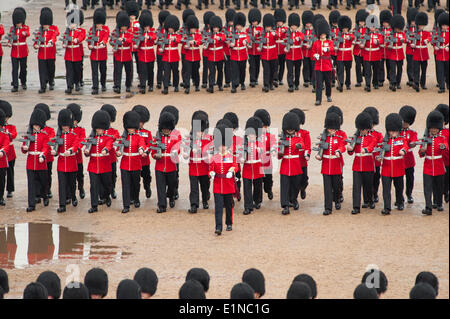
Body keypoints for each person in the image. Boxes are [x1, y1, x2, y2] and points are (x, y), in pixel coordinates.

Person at [210, 124, 238, 235]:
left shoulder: (231, 156)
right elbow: (211, 168)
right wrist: (211, 173)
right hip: (217, 186)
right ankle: (218, 227)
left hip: (228, 185)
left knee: (229, 206)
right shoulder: (215, 157)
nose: (222, 148)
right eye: (220, 145)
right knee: (218, 208)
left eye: (224, 146)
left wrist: (231, 171)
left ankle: (229, 223)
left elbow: (235, 165)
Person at [377, 113, 408, 216]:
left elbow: (405, 146)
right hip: (386, 168)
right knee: (386, 189)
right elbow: (379, 151)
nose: (392, 132)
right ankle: (387, 207)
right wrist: (379, 156)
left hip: (398, 167)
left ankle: (400, 202)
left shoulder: (401, 139)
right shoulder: (384, 140)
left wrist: (403, 151)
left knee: (399, 187)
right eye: (391, 130)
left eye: (394, 131)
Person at [316, 112, 345, 216]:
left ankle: (337, 200)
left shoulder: (339, 137)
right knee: (327, 188)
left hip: (336, 165)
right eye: (330, 129)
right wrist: (318, 156)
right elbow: (320, 149)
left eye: (333, 129)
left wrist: (338, 151)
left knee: (336, 186)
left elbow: (342, 146)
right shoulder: (324, 138)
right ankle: (328, 208)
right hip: (326, 166)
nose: (331, 131)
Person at [116, 111, 146, 214]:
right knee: (125, 185)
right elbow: (119, 147)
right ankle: (126, 205)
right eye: (129, 127)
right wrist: (119, 152)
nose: (130, 129)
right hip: (124, 164)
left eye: (132, 127)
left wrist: (141, 149)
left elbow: (142, 144)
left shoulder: (139, 136)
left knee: (135, 184)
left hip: (135, 163)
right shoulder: (124, 137)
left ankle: (136, 199)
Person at [84, 110, 114, 214]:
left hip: (104, 165)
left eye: (100, 128)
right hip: (93, 165)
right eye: (97, 128)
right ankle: (94, 205)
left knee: (106, 184)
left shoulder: (108, 138)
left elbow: (109, 145)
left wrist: (105, 150)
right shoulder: (91, 138)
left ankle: (107, 197)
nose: (99, 130)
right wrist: (86, 151)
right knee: (94, 186)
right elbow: (87, 149)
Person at [51, 109, 81, 213]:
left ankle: (73, 197)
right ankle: (62, 205)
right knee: (62, 185)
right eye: (63, 125)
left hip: (71, 163)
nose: (64, 127)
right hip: (61, 164)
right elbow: (55, 148)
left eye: (66, 125)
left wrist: (71, 150)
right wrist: (54, 152)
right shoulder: (58, 137)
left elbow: (76, 145)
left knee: (72, 184)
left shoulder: (74, 135)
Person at [347, 112, 376, 215]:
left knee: (368, 186)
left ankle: (369, 200)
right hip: (357, 166)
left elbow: (371, 147)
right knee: (356, 187)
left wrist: (366, 149)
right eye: (360, 129)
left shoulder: (372, 137)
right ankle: (356, 207)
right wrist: (350, 149)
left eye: (363, 129)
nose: (362, 131)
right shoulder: (355, 138)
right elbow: (351, 153)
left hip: (368, 165)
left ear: (368, 128)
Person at [419, 111, 448, 215]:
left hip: (439, 165)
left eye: (435, 128)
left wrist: (443, 146)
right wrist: (422, 151)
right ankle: (428, 207)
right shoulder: (425, 139)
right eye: (432, 128)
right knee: (427, 187)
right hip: (428, 166)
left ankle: (439, 203)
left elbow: (445, 146)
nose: (434, 130)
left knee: (439, 186)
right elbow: (421, 153)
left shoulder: (442, 138)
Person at [21, 109, 49, 212]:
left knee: (43, 182)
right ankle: (31, 204)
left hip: (40, 163)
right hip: (30, 163)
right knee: (31, 184)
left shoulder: (44, 135)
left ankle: (45, 196)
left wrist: (42, 155)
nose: (36, 127)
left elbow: (46, 147)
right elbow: (24, 148)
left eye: (38, 125)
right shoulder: (28, 135)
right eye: (35, 125)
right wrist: (24, 148)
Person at [184, 111, 211, 214]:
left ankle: (205, 201)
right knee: (194, 188)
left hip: (204, 167)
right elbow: (185, 151)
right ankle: (194, 204)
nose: (200, 133)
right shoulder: (189, 139)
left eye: (201, 131)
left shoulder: (208, 139)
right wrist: (186, 154)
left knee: (205, 186)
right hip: (193, 168)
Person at [152, 112, 179, 213]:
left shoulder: (175, 137)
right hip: (160, 166)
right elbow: (153, 150)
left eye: (168, 129)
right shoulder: (158, 137)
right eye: (164, 129)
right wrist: (155, 155)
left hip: (171, 165)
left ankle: (171, 197)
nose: (166, 131)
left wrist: (175, 152)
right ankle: (162, 205)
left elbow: (178, 146)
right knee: (160, 187)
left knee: (172, 185)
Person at [278, 112, 304, 215]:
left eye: (291, 129)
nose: (289, 130)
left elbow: (302, 145)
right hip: (285, 166)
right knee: (284, 186)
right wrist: (280, 152)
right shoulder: (282, 139)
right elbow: (279, 155)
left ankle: (294, 199)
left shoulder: (298, 138)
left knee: (295, 185)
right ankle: (285, 205)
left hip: (295, 165)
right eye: (288, 129)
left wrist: (298, 146)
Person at [241, 117, 264, 215]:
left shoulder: (260, 142)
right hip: (247, 168)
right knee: (247, 187)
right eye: (249, 134)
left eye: (253, 134)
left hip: (257, 166)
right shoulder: (244, 143)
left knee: (258, 186)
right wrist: (241, 158)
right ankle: (248, 206)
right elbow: (239, 152)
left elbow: (264, 152)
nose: (250, 136)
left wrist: (260, 150)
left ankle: (257, 200)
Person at [311, 20, 335, 105]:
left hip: (327, 64)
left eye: (324, 34)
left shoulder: (329, 42)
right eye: (321, 34)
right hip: (318, 65)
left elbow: (332, 49)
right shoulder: (315, 43)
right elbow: (312, 53)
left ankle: (328, 95)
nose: (322, 35)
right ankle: (318, 99)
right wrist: (315, 55)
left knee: (328, 82)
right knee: (319, 84)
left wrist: (327, 49)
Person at [34, 8, 57, 94]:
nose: (45, 26)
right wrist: (36, 45)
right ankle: (43, 86)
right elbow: (36, 40)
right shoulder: (40, 31)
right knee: (42, 70)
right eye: (44, 24)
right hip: (41, 54)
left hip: (50, 53)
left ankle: (51, 81)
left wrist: (51, 41)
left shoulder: (53, 29)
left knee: (51, 69)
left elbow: (54, 36)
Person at [254, 109, 275, 201]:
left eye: (264, 126)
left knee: (268, 180)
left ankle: (268, 189)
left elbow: (273, 144)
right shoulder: (254, 136)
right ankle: (258, 199)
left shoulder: (269, 135)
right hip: (257, 161)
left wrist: (273, 150)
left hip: (267, 160)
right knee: (258, 182)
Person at [132, 105, 152, 200]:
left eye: (142, 122)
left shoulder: (147, 133)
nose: (140, 124)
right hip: (135, 160)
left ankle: (147, 187)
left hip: (144, 160)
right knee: (135, 180)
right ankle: (135, 197)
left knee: (146, 177)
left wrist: (146, 152)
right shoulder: (131, 133)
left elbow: (149, 144)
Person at [63, 9, 85, 95]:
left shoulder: (80, 31)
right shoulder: (67, 32)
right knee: (69, 71)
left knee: (77, 70)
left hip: (77, 53)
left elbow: (82, 37)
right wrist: (64, 44)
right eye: (71, 23)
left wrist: (77, 40)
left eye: (74, 23)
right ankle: (69, 86)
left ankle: (77, 83)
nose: (72, 25)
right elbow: (64, 39)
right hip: (68, 54)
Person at [399, 106, 418, 204]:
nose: (404, 124)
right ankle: (400, 196)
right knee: (399, 180)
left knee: (410, 179)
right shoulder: (396, 132)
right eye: (403, 121)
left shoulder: (412, 132)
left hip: (409, 159)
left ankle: (409, 194)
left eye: (406, 122)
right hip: (399, 159)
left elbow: (414, 141)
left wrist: (413, 144)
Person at [7, 8, 30, 92]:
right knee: (15, 69)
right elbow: (10, 37)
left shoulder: (25, 27)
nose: (18, 24)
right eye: (17, 23)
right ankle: (15, 85)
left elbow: (28, 33)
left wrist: (25, 33)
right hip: (14, 51)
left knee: (23, 68)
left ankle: (23, 82)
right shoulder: (12, 29)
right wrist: (9, 42)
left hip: (23, 51)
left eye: (19, 23)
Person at [88, 8, 109, 95]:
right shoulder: (91, 30)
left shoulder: (105, 29)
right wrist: (90, 45)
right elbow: (89, 39)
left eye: (100, 23)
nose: (99, 25)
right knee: (95, 72)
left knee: (103, 70)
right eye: (97, 23)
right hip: (93, 54)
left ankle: (103, 84)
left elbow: (105, 37)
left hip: (102, 53)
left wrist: (102, 43)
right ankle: (95, 87)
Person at [67, 103, 86, 200]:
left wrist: (77, 147)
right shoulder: (66, 131)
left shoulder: (80, 130)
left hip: (77, 157)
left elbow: (82, 140)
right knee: (71, 178)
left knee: (80, 175)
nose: (74, 122)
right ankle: (71, 193)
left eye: (75, 120)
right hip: (69, 158)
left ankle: (81, 188)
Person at [111, 11, 133, 94]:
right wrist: (115, 44)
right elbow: (111, 40)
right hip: (118, 54)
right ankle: (117, 86)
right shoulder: (115, 32)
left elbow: (131, 40)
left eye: (125, 26)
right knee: (117, 71)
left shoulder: (129, 32)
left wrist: (124, 39)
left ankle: (128, 85)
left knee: (128, 71)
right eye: (122, 26)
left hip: (127, 54)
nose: (123, 28)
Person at [101, 104, 120, 199]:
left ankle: (112, 189)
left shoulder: (113, 131)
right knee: (104, 177)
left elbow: (117, 139)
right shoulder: (98, 132)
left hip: (111, 158)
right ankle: (105, 195)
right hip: (102, 159)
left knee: (113, 176)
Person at [135, 10, 156, 94]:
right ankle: (143, 85)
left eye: (148, 26)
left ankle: (150, 85)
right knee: (142, 71)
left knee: (150, 70)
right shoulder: (140, 32)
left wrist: (149, 37)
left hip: (150, 54)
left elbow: (154, 37)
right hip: (142, 54)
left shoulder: (152, 31)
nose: (146, 28)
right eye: (145, 26)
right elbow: (135, 39)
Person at [361, 15, 384, 92]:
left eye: (373, 27)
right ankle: (367, 84)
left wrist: (377, 42)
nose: (372, 28)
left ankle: (375, 83)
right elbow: (362, 43)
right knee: (367, 71)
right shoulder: (366, 35)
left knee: (376, 70)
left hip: (376, 54)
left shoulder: (378, 35)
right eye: (371, 26)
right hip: (367, 54)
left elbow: (381, 40)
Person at [160, 15, 181, 94]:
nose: (170, 29)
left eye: (171, 28)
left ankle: (176, 86)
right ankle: (165, 87)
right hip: (166, 56)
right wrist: (161, 48)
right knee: (166, 73)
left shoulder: (177, 35)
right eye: (169, 28)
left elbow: (179, 40)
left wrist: (174, 39)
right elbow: (161, 42)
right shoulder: (165, 35)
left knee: (175, 72)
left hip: (174, 56)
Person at [229, 13, 249, 93]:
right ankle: (234, 85)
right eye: (237, 25)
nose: (239, 27)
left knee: (242, 70)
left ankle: (242, 82)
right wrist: (231, 44)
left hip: (243, 55)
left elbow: (248, 39)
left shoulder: (244, 34)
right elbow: (228, 43)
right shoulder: (232, 34)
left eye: (240, 25)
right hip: (234, 55)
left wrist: (245, 41)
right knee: (234, 71)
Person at [411, 12, 431, 92]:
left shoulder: (426, 33)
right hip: (416, 53)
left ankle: (423, 83)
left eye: (422, 25)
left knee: (424, 70)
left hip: (424, 53)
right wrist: (412, 45)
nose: (421, 27)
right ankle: (416, 83)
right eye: (420, 25)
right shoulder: (415, 33)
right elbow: (411, 41)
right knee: (416, 70)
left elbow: (429, 38)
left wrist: (427, 40)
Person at [0, 101, 16, 200]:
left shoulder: (11, 127)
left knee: (10, 172)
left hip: (10, 153)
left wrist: (6, 134)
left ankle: (10, 189)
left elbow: (13, 135)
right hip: (2, 155)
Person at [182, 15, 202, 94]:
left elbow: (200, 41)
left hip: (196, 56)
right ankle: (187, 86)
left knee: (195, 71)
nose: (192, 30)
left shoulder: (198, 35)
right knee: (187, 72)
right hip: (188, 56)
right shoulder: (186, 36)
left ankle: (197, 85)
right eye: (191, 28)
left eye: (194, 28)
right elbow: (183, 43)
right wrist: (186, 46)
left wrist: (194, 42)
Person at [206, 16, 226, 93]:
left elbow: (223, 38)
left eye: (217, 28)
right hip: (211, 55)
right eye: (214, 28)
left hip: (219, 55)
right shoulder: (209, 35)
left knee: (220, 70)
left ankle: (220, 84)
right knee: (211, 71)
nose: (215, 29)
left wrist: (219, 39)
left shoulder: (221, 34)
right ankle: (211, 85)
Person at [285, 13, 304, 92]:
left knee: (297, 70)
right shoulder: (287, 34)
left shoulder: (299, 34)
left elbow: (302, 37)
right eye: (292, 25)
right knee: (290, 71)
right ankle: (290, 85)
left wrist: (298, 38)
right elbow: (284, 40)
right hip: (289, 55)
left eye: (295, 26)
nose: (293, 27)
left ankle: (296, 83)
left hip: (298, 55)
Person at [259, 14, 278, 93]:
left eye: (269, 27)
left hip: (272, 54)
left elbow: (278, 37)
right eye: (266, 27)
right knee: (266, 70)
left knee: (272, 70)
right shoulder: (263, 34)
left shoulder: (274, 33)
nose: (267, 28)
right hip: (264, 54)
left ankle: (270, 84)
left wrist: (275, 34)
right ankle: (266, 85)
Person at [335, 15, 354, 92]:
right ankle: (341, 84)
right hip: (340, 55)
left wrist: (348, 37)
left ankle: (348, 83)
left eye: (346, 28)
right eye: (343, 28)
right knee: (340, 70)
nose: (345, 30)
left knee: (348, 70)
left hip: (348, 55)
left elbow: (352, 37)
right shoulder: (339, 36)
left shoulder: (350, 35)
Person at [388, 14, 406, 91]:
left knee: (399, 69)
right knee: (392, 69)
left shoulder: (402, 34)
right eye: (396, 28)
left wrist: (403, 40)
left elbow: (405, 40)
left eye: (399, 28)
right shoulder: (390, 34)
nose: (397, 30)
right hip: (392, 54)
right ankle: (393, 82)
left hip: (400, 54)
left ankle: (398, 82)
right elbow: (387, 41)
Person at [435, 104, 449, 203]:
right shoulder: (432, 132)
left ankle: (446, 193)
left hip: (447, 159)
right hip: (437, 160)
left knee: (447, 179)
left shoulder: (447, 132)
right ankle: (437, 198)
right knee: (437, 181)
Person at [353, 9, 368, 88]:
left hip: (365, 51)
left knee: (365, 66)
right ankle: (359, 81)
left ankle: (366, 79)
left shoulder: (367, 30)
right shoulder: (355, 30)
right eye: (360, 21)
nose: (361, 23)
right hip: (356, 51)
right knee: (357, 66)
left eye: (362, 21)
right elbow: (352, 37)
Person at [247, 9, 263, 88]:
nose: (254, 22)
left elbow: (262, 36)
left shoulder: (261, 29)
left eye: (255, 21)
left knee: (257, 65)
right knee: (252, 65)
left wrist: (258, 33)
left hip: (258, 50)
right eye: (253, 21)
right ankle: (252, 80)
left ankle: (256, 78)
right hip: (250, 51)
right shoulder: (248, 30)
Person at [434, 12, 449, 94]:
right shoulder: (437, 32)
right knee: (440, 71)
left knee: (447, 71)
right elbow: (433, 39)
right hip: (439, 54)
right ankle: (441, 86)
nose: (444, 27)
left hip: (447, 55)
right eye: (443, 25)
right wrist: (435, 46)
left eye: (446, 25)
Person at [378, 10, 393, 88]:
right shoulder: (380, 30)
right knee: (380, 66)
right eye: (383, 22)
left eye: (386, 22)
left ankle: (390, 79)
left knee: (389, 66)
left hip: (388, 51)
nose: (384, 24)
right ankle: (380, 80)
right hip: (381, 51)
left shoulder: (391, 31)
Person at [156, 10, 170, 90]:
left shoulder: (170, 31)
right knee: (160, 67)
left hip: (167, 52)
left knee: (167, 68)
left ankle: (167, 81)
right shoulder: (159, 30)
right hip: (159, 51)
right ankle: (159, 81)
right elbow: (156, 40)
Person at [201, 11, 215, 89]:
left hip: (213, 51)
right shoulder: (204, 31)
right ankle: (204, 82)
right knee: (205, 67)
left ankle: (212, 81)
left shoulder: (215, 31)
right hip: (206, 52)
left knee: (212, 68)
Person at [301, 11, 315, 88]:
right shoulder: (303, 31)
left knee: (312, 66)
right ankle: (306, 80)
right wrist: (303, 44)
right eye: (307, 23)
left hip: (312, 51)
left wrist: (311, 45)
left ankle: (312, 79)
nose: (308, 24)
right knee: (305, 66)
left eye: (309, 23)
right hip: (305, 51)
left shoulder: (314, 31)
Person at [405, 7, 418, 88]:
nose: (413, 23)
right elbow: (405, 36)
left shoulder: (418, 28)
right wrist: (409, 40)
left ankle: (416, 79)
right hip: (409, 49)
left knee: (416, 65)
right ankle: (410, 79)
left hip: (416, 50)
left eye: (414, 21)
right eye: (412, 21)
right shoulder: (407, 28)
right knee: (409, 64)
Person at [274, 9, 287, 86]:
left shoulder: (285, 29)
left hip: (282, 50)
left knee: (282, 65)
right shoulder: (273, 29)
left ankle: (280, 78)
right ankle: (275, 78)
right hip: (275, 50)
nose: (279, 22)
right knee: (275, 65)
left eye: (280, 21)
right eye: (278, 21)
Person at [223, 9, 235, 89]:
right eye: (230, 21)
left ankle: (234, 80)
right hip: (226, 51)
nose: (231, 22)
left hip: (234, 51)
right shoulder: (224, 28)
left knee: (234, 67)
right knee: (227, 67)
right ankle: (227, 81)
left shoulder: (236, 28)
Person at [0, 110, 10, 206]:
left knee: (1, 180)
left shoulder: (4, 134)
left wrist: (2, 151)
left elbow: (6, 145)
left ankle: (0, 197)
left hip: (1, 161)